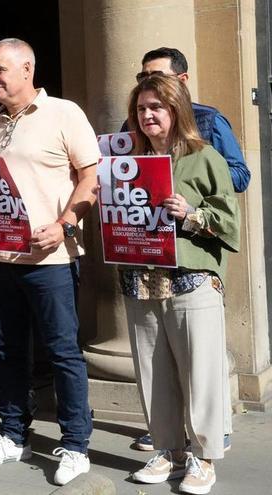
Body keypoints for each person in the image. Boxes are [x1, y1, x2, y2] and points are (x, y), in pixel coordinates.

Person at [0, 38, 98, 486]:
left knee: (62, 353)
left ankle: (76, 445)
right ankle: (14, 435)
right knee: (7, 351)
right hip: (1, 257)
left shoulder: (64, 112)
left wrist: (65, 225)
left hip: (51, 259)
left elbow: (90, 178)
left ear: (27, 69)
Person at [123, 74, 239, 495]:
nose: (148, 115)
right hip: (142, 278)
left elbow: (230, 222)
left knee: (200, 373)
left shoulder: (204, 156)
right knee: (153, 372)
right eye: (141, 109)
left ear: (176, 110)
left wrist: (192, 213)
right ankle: (168, 451)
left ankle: (204, 457)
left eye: (157, 107)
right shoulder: (126, 162)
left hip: (193, 280)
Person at [122, 47, 249, 194]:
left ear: (182, 80)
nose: (149, 83)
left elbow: (241, 176)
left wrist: (192, 176)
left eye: (158, 77)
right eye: (143, 77)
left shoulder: (209, 120)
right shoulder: (134, 123)